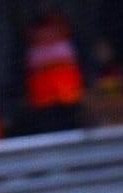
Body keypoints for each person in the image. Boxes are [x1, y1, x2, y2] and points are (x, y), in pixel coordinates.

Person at [24, 5, 85, 133]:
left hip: (71, 99)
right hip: (44, 105)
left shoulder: (65, 31)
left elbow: (82, 63)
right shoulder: (31, 35)